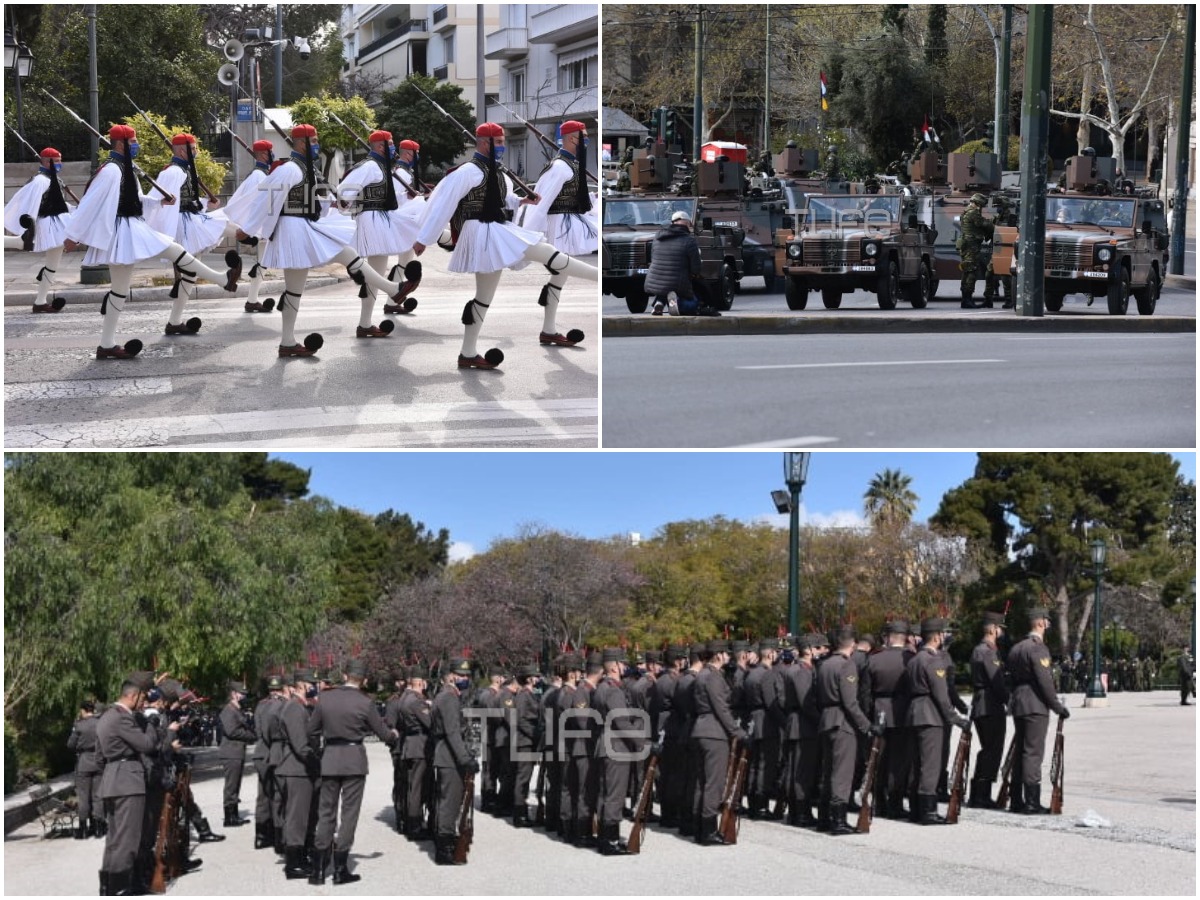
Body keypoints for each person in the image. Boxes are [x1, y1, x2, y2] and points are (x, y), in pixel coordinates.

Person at [411, 122, 598, 370]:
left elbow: (503, 198)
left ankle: (467, 353)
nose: (502, 147)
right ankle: (599, 278)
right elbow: (443, 205)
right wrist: (424, 238)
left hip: (494, 230)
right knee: (549, 254)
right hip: (480, 231)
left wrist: (521, 200)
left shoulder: (496, 171)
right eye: (498, 143)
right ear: (485, 143)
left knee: (483, 298)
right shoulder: (467, 171)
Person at [234, 123, 418, 358]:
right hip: (293, 229)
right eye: (312, 141)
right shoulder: (289, 169)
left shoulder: (306, 169)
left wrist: (334, 202)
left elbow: (318, 198)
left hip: (304, 227)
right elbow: (266, 199)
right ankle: (392, 289)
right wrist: (247, 229)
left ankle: (288, 342)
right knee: (298, 287)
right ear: (300, 143)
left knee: (336, 260)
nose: (316, 145)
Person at [62, 124, 241, 359]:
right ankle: (221, 278)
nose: (136, 145)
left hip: (130, 226)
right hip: (123, 229)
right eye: (133, 141)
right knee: (170, 252)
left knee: (120, 289)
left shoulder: (124, 168)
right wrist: (72, 235)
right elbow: (90, 203)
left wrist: (158, 203)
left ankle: (106, 346)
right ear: (120, 144)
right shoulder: (112, 170)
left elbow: (136, 199)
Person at [307, 659, 398, 885]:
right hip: (353, 759)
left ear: (345, 675)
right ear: (364, 680)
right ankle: (340, 869)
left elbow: (311, 730)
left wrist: (320, 752)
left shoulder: (325, 698)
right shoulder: (365, 703)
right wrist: (394, 735)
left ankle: (318, 870)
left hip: (329, 758)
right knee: (349, 814)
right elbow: (383, 733)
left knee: (326, 812)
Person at [336, 129, 422, 338]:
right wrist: (349, 205)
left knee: (374, 275)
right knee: (374, 274)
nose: (393, 147)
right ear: (381, 146)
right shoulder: (370, 166)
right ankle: (371, 316)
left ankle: (365, 324)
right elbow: (343, 192)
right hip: (371, 220)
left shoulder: (381, 167)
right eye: (390, 143)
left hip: (380, 219)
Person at [143, 133, 229, 336]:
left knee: (190, 273)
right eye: (194, 148)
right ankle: (226, 276)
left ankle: (174, 322)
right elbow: (161, 202)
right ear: (183, 151)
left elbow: (188, 198)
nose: (196, 151)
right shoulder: (173, 172)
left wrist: (206, 203)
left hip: (192, 219)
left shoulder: (185, 170)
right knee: (224, 224)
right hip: (183, 224)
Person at [521, 119, 596, 347]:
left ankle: (549, 330)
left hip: (571, 220)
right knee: (562, 273)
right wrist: (526, 236)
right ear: (573, 138)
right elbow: (541, 202)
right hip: (560, 225)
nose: (587, 140)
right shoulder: (560, 167)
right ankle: (549, 329)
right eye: (584, 135)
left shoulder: (572, 164)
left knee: (559, 277)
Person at [96, 671, 171, 896]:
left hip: (113, 778)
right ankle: (121, 888)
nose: (144, 702)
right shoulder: (122, 716)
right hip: (127, 781)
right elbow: (147, 744)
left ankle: (110, 885)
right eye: (143, 698)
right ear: (135, 695)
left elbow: (99, 757)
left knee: (115, 839)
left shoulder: (107, 716)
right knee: (128, 839)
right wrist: (152, 721)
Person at [816, 627, 882, 835]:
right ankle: (838, 819)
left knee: (829, 771)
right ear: (852, 644)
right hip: (842, 723)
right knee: (842, 773)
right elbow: (850, 703)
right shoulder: (847, 666)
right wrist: (867, 726)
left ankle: (825, 817)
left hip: (827, 720)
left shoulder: (824, 665)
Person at [904, 618, 970, 825]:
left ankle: (916, 808)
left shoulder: (915, 659)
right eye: (942, 634)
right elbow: (941, 695)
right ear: (936, 636)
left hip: (915, 713)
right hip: (930, 715)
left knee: (917, 764)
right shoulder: (933, 660)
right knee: (931, 765)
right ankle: (927, 811)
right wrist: (957, 719)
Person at [1006, 607, 1070, 814]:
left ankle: (1015, 799)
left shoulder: (1016, 648)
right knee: (1033, 753)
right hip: (1035, 704)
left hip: (1019, 703)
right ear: (1041, 623)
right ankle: (1031, 801)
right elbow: (1045, 682)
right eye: (1047, 621)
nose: (1049, 625)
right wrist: (1057, 706)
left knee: (1020, 753)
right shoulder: (1038, 648)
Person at [3, 146, 74, 313]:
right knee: (24, 244)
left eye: (59, 161)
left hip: (58, 223)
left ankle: (40, 302)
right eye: (56, 161)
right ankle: (40, 301)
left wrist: (76, 210)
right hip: (48, 224)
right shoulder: (40, 180)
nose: (59, 164)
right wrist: (30, 227)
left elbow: (59, 203)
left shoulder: (52, 178)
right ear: (45, 162)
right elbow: (31, 203)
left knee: (52, 264)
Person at [690, 640, 748, 845]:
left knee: (702, 782)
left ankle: (699, 826)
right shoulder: (712, 677)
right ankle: (708, 830)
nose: (728, 657)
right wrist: (737, 731)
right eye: (725, 653)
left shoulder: (702, 675)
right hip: (714, 732)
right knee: (713, 783)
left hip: (701, 729)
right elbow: (721, 707)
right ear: (718, 655)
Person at [221, 139, 279, 313]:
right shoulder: (259, 176)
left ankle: (252, 300)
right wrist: (254, 229)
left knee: (262, 263)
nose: (272, 155)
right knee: (262, 262)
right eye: (271, 151)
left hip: (260, 225)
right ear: (263, 154)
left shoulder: (261, 174)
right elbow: (256, 203)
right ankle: (249, 298)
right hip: (257, 225)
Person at [431, 657, 478, 865]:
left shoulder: (448, 695)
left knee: (448, 801)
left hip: (447, 755)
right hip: (450, 757)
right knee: (450, 803)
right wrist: (465, 759)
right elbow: (452, 733)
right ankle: (445, 848)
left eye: (467, 675)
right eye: (460, 675)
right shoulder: (449, 698)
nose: (464, 678)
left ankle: (445, 842)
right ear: (450, 675)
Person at [590, 649, 637, 855]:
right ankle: (610, 839)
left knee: (605, 792)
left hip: (604, 744)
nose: (625, 667)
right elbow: (622, 722)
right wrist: (642, 742)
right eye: (622, 663)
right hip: (616, 746)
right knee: (614, 794)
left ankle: (605, 836)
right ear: (614, 666)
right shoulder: (614, 690)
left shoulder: (601, 688)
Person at [275, 669, 319, 880]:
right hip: (296, 770)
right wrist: (317, 765)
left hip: (298, 769)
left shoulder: (301, 707)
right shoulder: (294, 709)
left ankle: (300, 857)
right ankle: (293, 864)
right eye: (310, 684)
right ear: (300, 686)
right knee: (296, 818)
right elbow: (301, 746)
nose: (314, 687)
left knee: (303, 817)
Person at [867, 621, 913, 820]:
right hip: (902, 711)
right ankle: (895, 802)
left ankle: (879, 801)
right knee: (899, 761)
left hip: (879, 710)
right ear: (904, 637)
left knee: (879, 759)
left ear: (889, 636)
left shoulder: (874, 659)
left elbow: (866, 693)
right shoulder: (910, 659)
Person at [968, 612, 1010, 808]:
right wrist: (1008, 700)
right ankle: (981, 795)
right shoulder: (987, 651)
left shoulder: (980, 649)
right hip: (989, 704)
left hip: (983, 703)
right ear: (994, 629)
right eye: (1000, 629)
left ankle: (979, 792)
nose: (1001, 632)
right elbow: (996, 681)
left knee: (988, 749)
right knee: (992, 749)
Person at [645, 210, 704, 317]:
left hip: (655, 280)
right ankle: (677, 303)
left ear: (672, 222)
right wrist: (695, 274)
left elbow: (653, 256)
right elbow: (696, 267)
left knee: (665, 288)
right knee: (694, 303)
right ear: (687, 223)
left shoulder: (658, 237)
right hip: (678, 282)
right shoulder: (689, 240)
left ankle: (659, 303)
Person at [251, 674, 286, 850]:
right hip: (275, 752)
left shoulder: (261, 705)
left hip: (261, 752)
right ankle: (279, 837)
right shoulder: (281, 705)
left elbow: (257, 730)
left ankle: (261, 835)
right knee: (278, 794)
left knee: (263, 795)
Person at [218, 680, 256, 828]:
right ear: (233, 694)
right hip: (231, 752)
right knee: (231, 785)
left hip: (236, 751)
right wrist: (252, 735)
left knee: (235, 784)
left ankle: (234, 814)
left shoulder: (236, 709)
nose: (243, 696)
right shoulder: (228, 710)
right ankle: (230, 817)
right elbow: (232, 731)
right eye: (241, 693)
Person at [68, 699, 103, 839]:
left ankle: (83, 829)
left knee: (83, 797)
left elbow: (70, 744)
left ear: (83, 710)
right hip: (99, 761)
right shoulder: (100, 723)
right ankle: (99, 828)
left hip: (83, 762)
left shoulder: (79, 725)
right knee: (97, 796)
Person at [958, 192, 994, 309]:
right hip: (971, 246)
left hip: (966, 245)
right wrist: (992, 222)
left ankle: (966, 299)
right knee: (971, 271)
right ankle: (967, 299)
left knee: (966, 271)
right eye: (981, 205)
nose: (981, 208)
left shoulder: (966, 211)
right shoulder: (973, 213)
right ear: (978, 203)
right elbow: (983, 224)